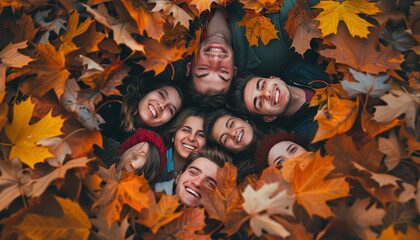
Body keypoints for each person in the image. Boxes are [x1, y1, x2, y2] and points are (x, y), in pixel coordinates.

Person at [186, 0, 321, 106]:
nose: (215, 60)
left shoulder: (183, 22)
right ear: (235, 71)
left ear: (190, 66)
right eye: (223, 72)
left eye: (203, 69)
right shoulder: (271, 51)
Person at [229, 70, 329, 143]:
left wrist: (345, 85)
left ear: (274, 78)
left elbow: (342, 73)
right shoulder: (307, 132)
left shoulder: (300, 68)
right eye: (259, 102)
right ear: (269, 118)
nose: (266, 94)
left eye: (263, 85)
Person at [154, 146, 232, 207]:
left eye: (210, 184)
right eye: (193, 173)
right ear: (179, 177)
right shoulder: (147, 193)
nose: (197, 183)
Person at [159, 108, 207, 181]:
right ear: (173, 135)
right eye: (186, 130)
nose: (191, 138)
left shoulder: (204, 176)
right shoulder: (153, 157)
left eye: (200, 135)